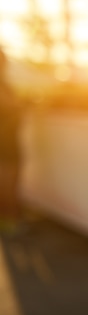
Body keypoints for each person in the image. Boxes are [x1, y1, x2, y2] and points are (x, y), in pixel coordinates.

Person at [0, 47, 23, 235]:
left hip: (10, 141)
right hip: (5, 143)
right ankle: (9, 222)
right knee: (7, 182)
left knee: (10, 181)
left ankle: (11, 220)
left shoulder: (5, 84)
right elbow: (9, 106)